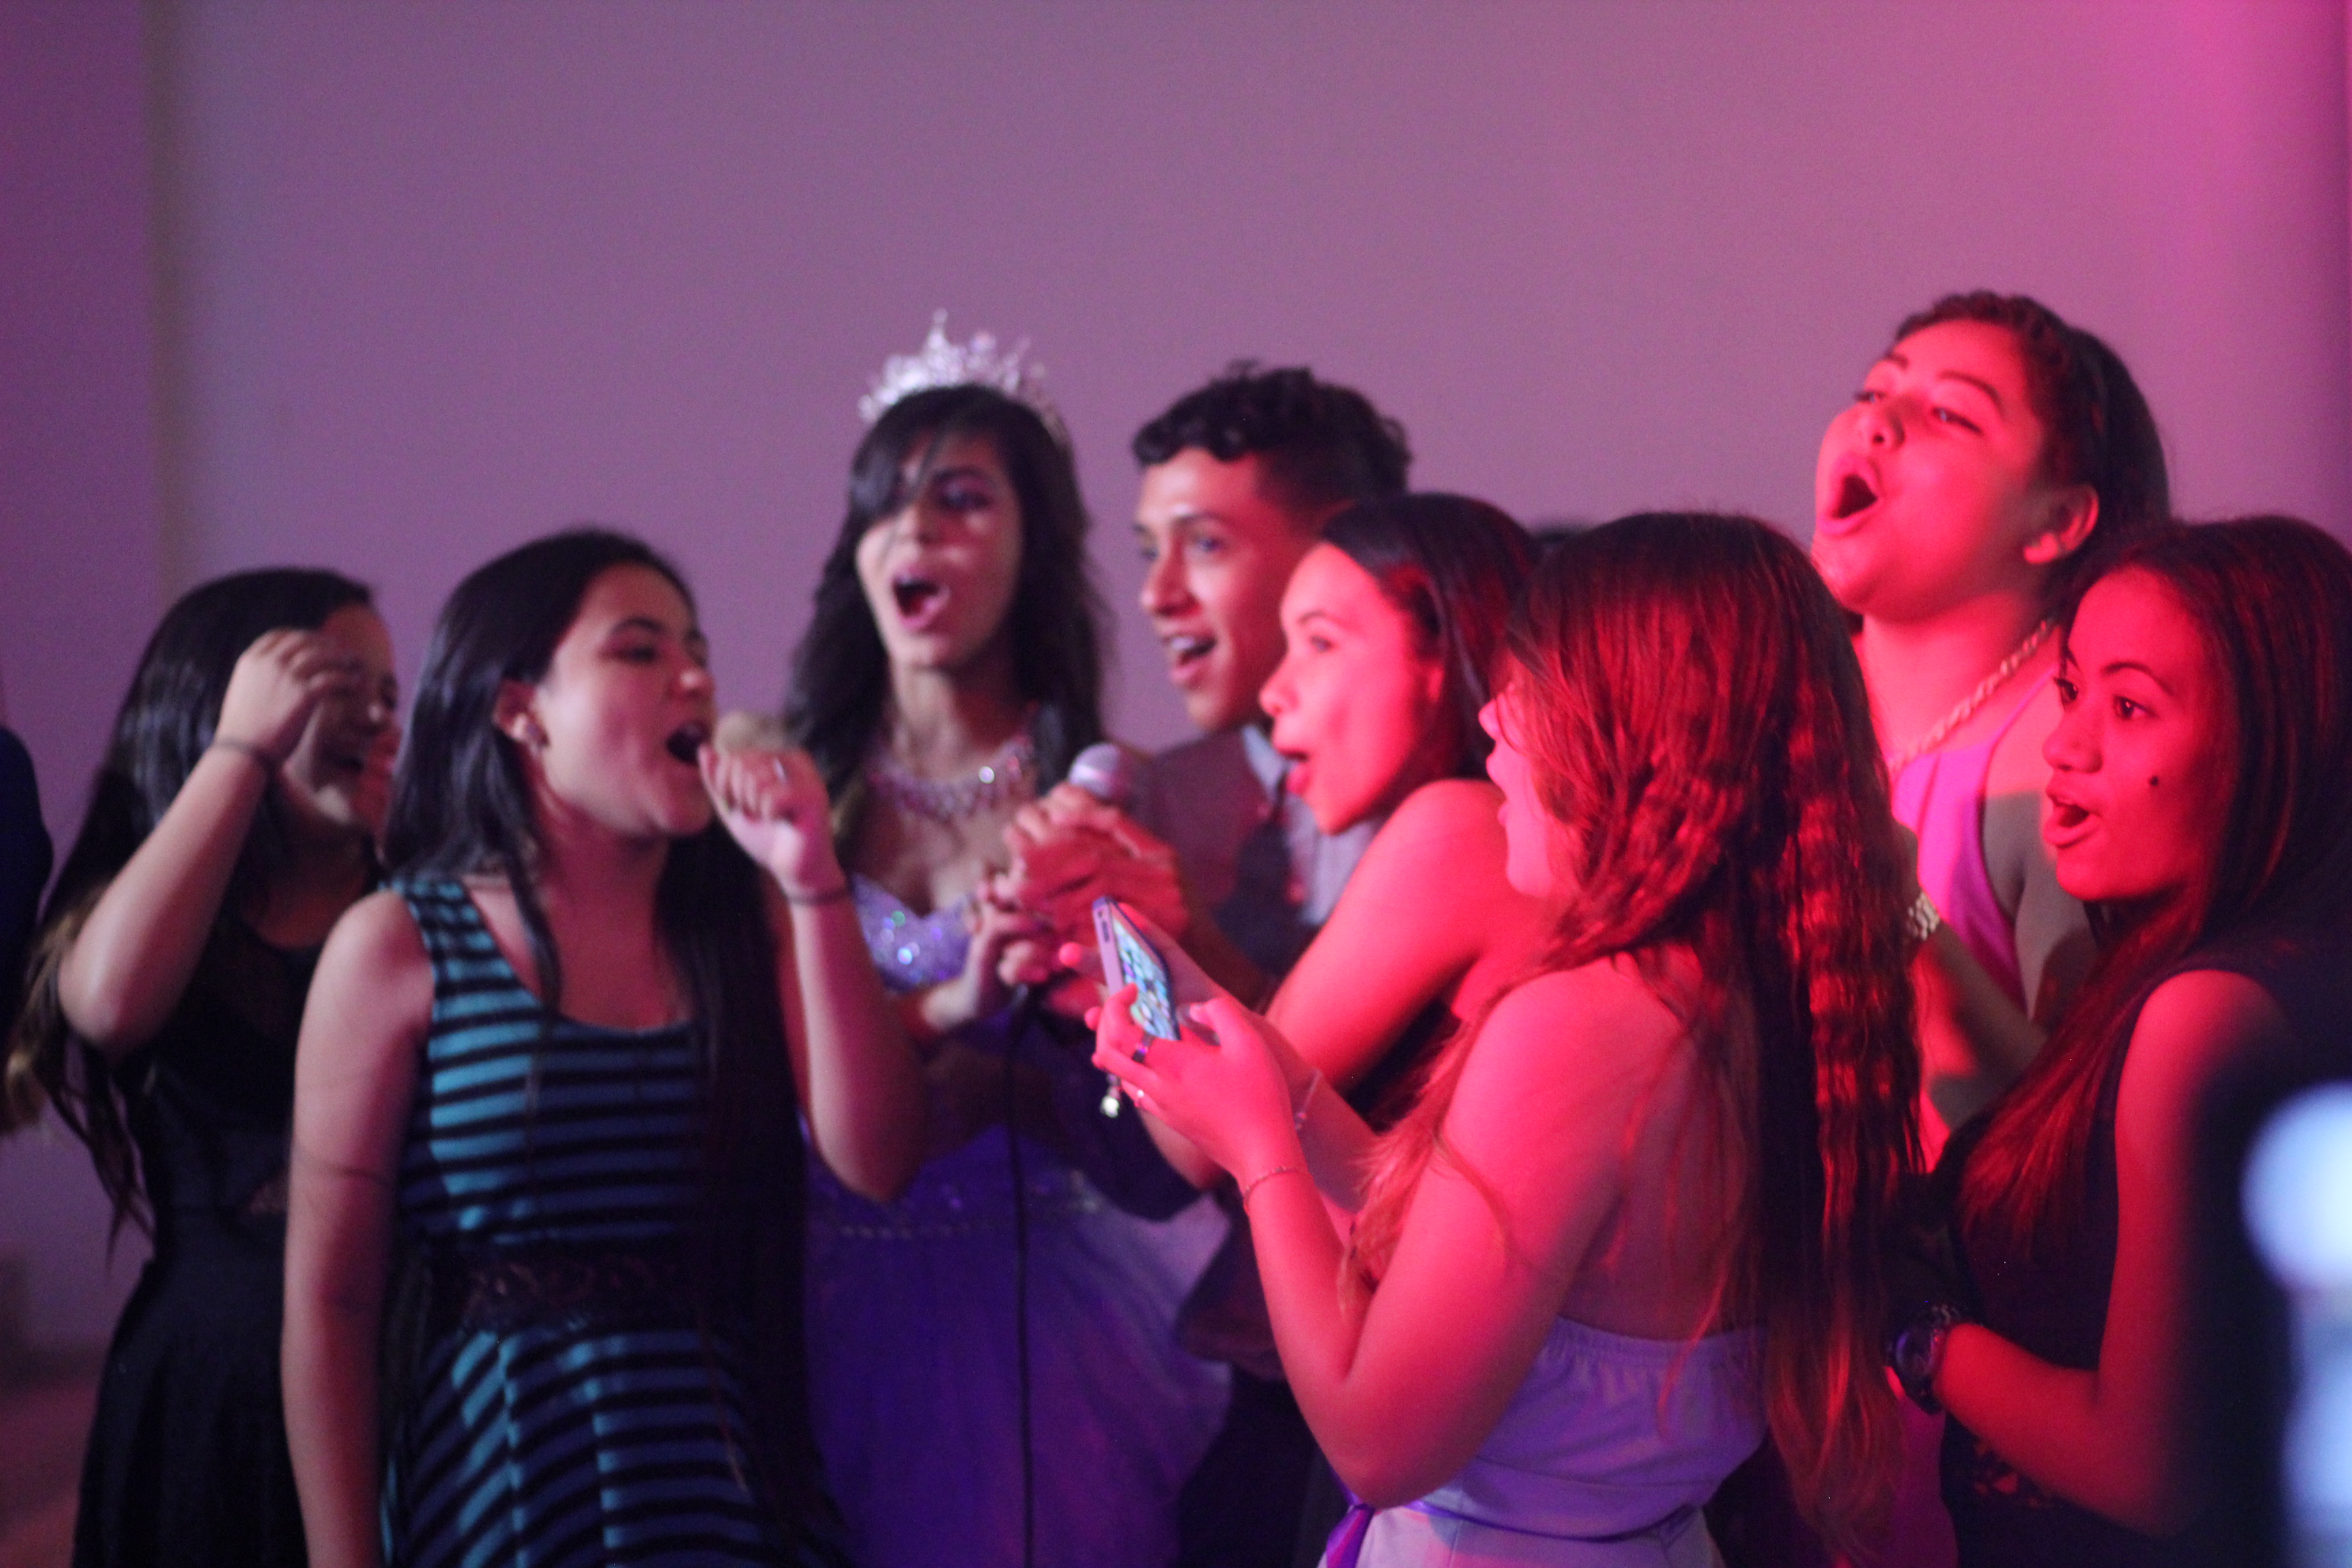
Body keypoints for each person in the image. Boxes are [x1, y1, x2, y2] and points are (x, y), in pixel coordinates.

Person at [1098, 512, 1921, 1567]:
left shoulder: (1586, 1021)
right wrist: (1278, 1087)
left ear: (1633, 726)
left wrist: (1258, 1152)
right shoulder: (1743, 998)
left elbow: (1378, 1443)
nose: (1494, 719)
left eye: (1532, 685)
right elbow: (1460, 1267)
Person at [281, 529, 924, 1568]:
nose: (695, 677)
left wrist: (812, 880)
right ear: (520, 709)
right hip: (506, 1480)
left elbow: (881, 1159)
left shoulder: (753, 920)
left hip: (723, 1486)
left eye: (698, 651)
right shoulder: (402, 944)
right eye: (639, 650)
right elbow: (333, 1301)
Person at [770, 332, 1228, 1568]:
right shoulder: (797, 796)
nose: (913, 529)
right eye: (884, 504)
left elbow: (1171, 1080)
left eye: (962, 499)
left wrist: (1030, 1076)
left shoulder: (1104, 789)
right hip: (830, 1291)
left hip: (1056, 1302)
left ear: (1036, 546)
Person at [999, 363, 1416, 1567]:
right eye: (1147, 549)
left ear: (1347, 547)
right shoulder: (1166, 793)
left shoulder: (1456, 808)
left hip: (1415, 1375)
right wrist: (1063, 983)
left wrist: (1194, 953)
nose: (1158, 592)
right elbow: (1154, 1163)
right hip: (1250, 1376)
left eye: (1206, 544)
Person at [1891, 517, 2352, 1565]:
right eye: (2069, 692)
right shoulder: (2204, 973)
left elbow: (2147, 1469)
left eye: (2131, 706)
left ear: (2276, 744)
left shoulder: (2206, 1012)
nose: (2066, 746)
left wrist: (1917, 1335)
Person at [1, 568, 397, 1568]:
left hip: (409, 1368)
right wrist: (240, 752)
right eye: (338, 685)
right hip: (212, 1397)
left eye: (391, 693)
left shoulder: (415, 897)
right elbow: (108, 1003)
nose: (379, 715)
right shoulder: (157, 904)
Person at [1813, 291, 2169, 1152]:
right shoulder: (1780, 684)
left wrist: (1902, 915)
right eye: (1873, 392)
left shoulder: (2067, 747)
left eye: (1951, 414)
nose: (1876, 422)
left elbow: (2067, 1131)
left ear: (2057, 520)